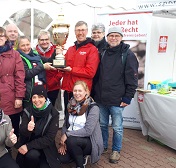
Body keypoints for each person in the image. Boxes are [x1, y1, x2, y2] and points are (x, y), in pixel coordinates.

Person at [93, 27, 138, 164]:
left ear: (121, 37)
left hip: (117, 99)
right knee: (102, 125)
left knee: (117, 127)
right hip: (101, 98)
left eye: (116, 35)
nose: (113, 38)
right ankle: (104, 146)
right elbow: (97, 76)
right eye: (111, 35)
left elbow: (132, 78)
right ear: (107, 37)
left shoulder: (128, 55)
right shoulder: (103, 52)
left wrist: (127, 97)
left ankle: (116, 150)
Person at [56, 21, 99, 117]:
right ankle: (66, 132)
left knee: (80, 118)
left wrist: (71, 70)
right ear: (75, 32)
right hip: (68, 90)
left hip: (81, 91)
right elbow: (63, 65)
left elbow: (90, 72)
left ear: (87, 31)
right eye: (78, 30)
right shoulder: (71, 49)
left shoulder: (92, 49)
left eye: (83, 30)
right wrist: (59, 58)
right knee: (68, 117)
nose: (80, 33)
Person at [58, 80, 103, 168]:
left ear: (86, 92)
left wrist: (67, 135)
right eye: (75, 91)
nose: (77, 93)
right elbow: (65, 125)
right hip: (71, 138)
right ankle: (78, 155)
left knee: (72, 141)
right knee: (62, 159)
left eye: (80, 91)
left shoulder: (93, 107)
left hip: (88, 141)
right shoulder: (70, 105)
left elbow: (88, 131)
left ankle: (80, 165)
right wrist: (62, 143)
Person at [15, 85, 60, 168]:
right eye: (34, 97)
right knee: (32, 156)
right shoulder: (27, 111)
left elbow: (49, 138)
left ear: (45, 98)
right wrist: (27, 129)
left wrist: (28, 146)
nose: (37, 100)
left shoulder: (53, 114)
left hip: (46, 147)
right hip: (31, 149)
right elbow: (22, 132)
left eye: (40, 97)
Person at [17, 36, 54, 108]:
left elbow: (49, 61)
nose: (26, 47)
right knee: (30, 117)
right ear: (18, 47)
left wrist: (56, 52)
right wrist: (42, 67)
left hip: (41, 91)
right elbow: (26, 74)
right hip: (29, 94)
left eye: (27, 44)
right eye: (23, 45)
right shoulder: (18, 57)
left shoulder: (35, 54)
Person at [35, 30, 62, 106]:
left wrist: (53, 82)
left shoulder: (57, 50)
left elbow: (61, 69)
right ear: (38, 41)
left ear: (50, 40)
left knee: (52, 110)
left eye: (46, 39)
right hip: (39, 87)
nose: (44, 42)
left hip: (53, 87)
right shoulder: (34, 52)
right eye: (42, 40)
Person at [90, 23, 107, 98]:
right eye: (94, 32)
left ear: (103, 34)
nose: (96, 34)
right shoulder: (88, 46)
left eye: (98, 32)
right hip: (89, 82)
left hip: (101, 83)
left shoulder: (107, 47)